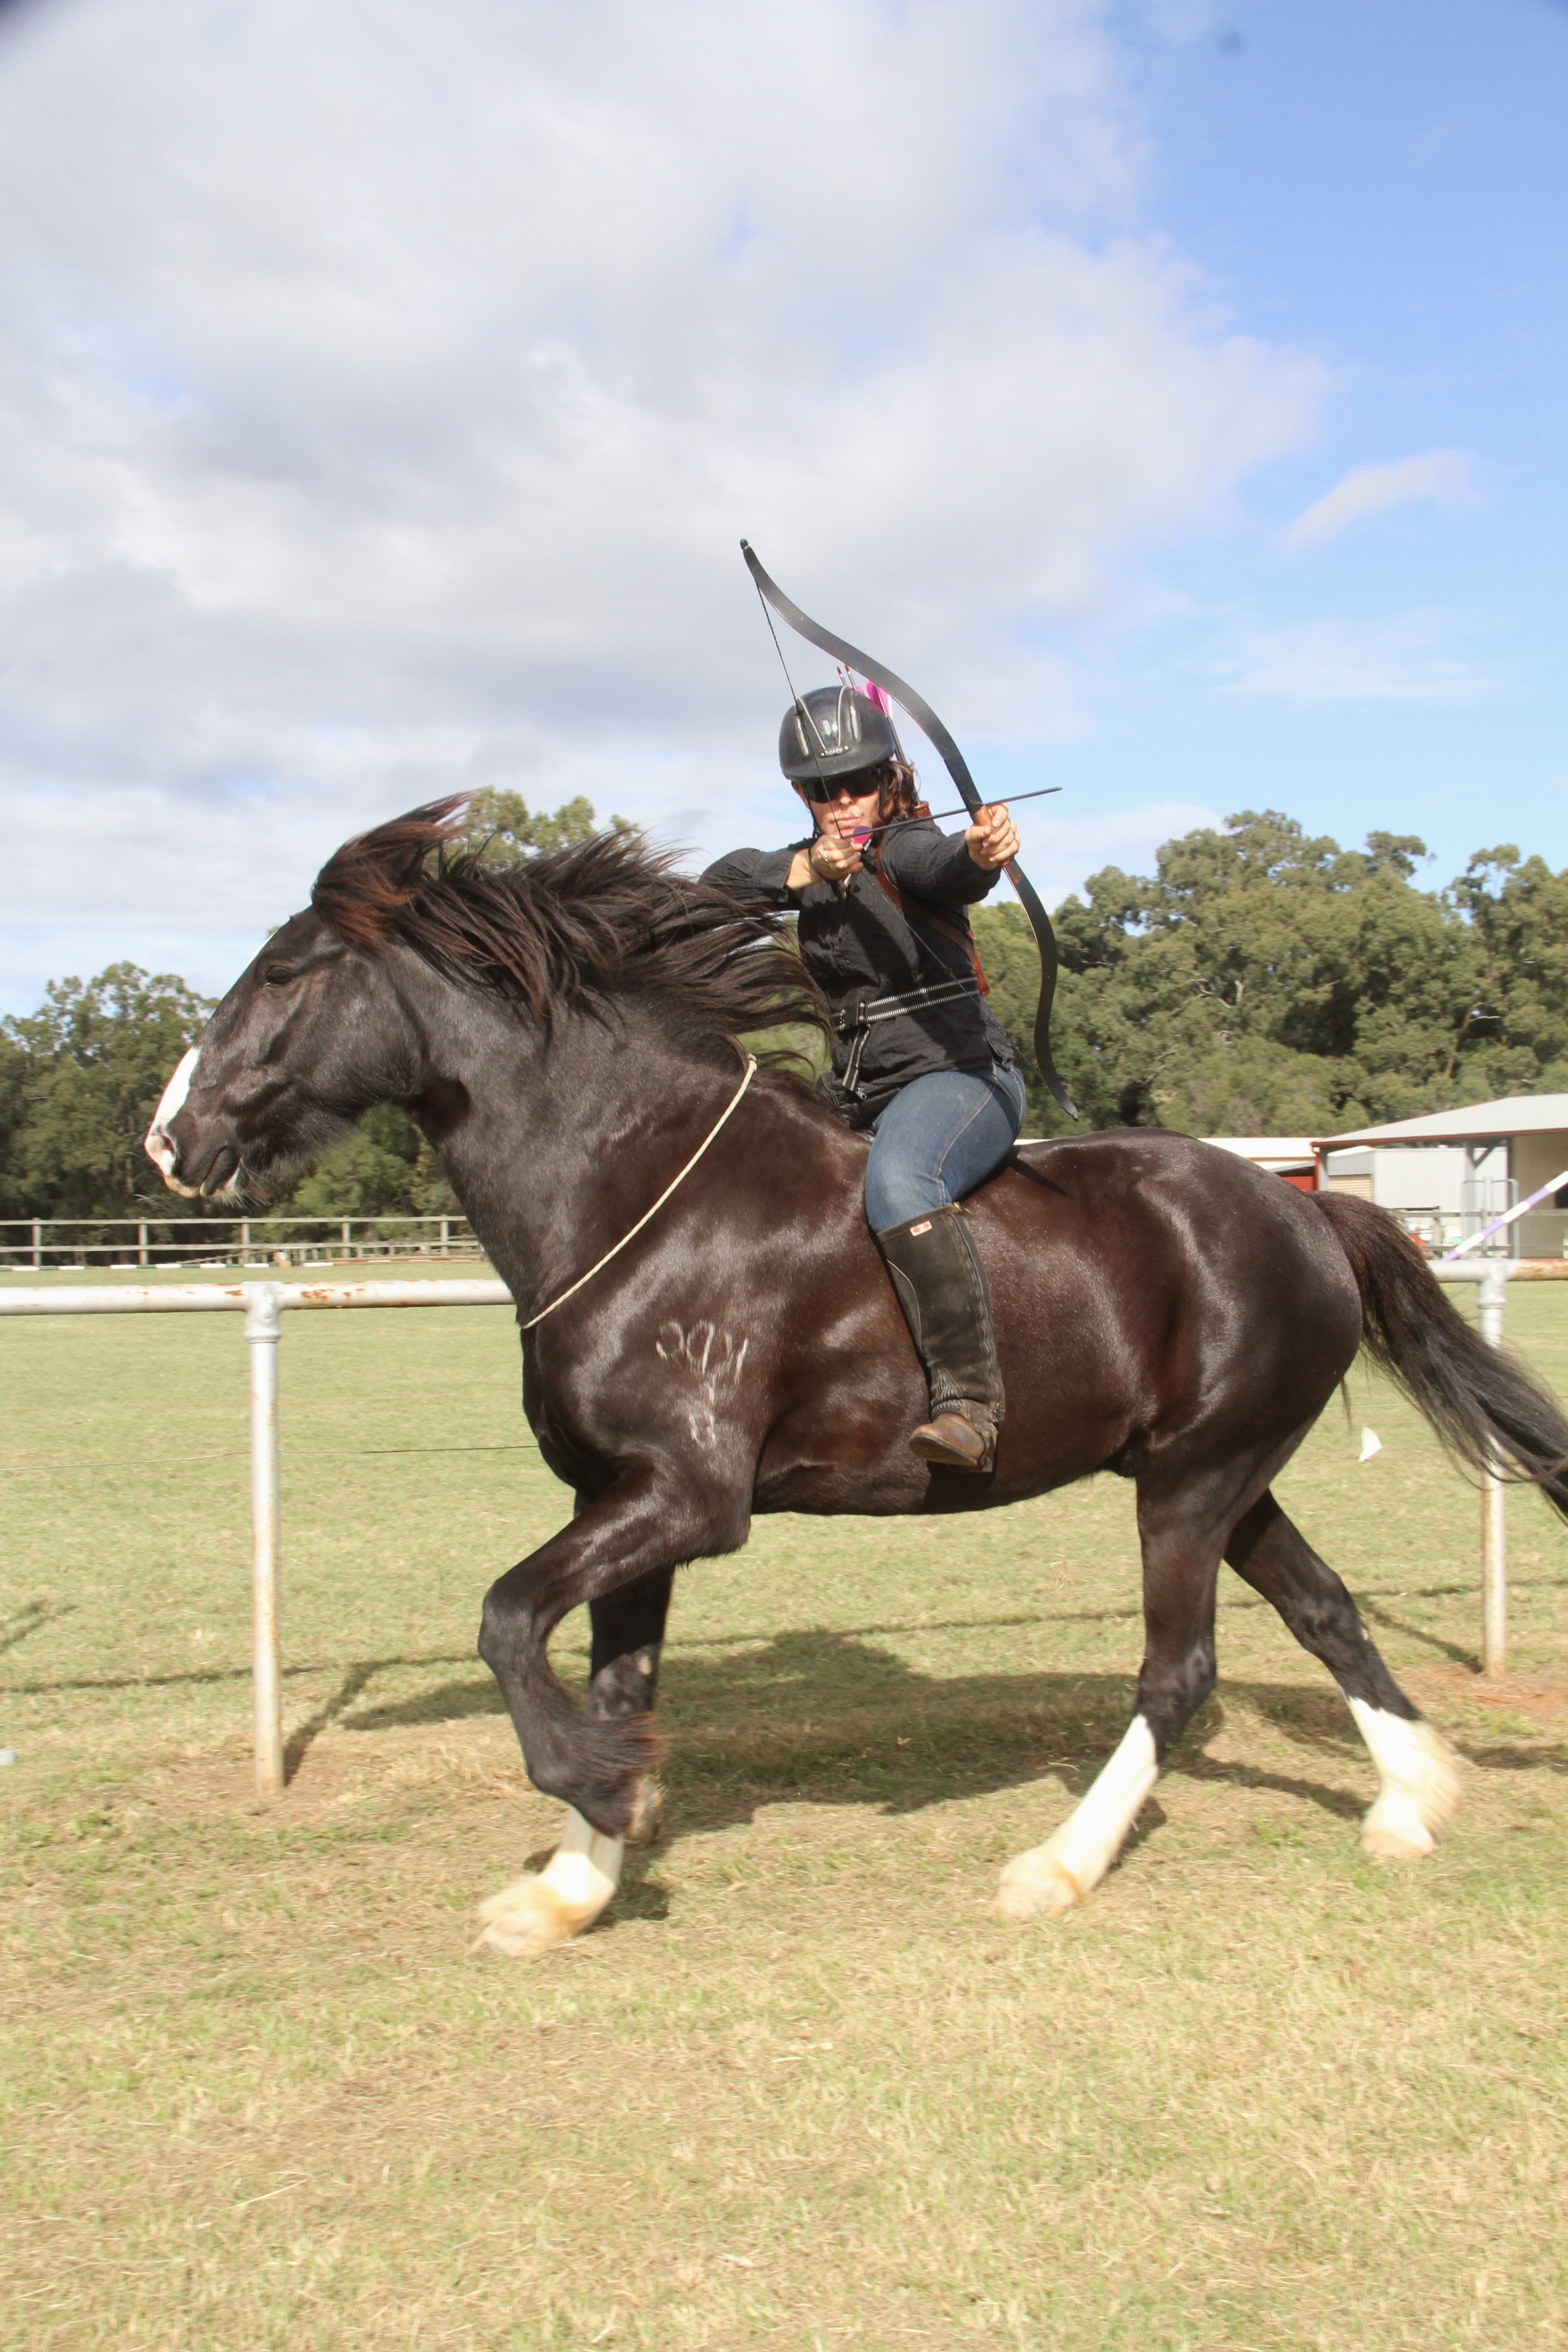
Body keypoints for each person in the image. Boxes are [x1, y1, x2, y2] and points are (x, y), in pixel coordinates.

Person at [705, 681, 1026, 1473]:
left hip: (961, 1078)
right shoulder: (809, 862)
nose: (843, 801)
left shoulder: (906, 848)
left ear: (889, 781)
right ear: (801, 794)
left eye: (858, 784)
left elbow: (949, 865)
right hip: (856, 1096)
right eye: (823, 790)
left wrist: (980, 854)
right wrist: (804, 868)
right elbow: (711, 890)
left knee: (901, 1185)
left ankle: (970, 1407)